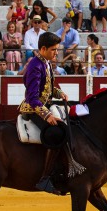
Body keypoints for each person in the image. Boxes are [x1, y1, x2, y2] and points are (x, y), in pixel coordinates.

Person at [18, 31, 73, 194]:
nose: (57, 53)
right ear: (43, 48)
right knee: (55, 134)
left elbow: (47, 87)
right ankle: (45, 179)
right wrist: (47, 116)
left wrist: (58, 93)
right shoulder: (35, 65)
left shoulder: (45, 62)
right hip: (33, 109)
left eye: (57, 49)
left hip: (44, 105)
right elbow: (32, 98)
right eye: (54, 50)